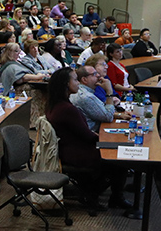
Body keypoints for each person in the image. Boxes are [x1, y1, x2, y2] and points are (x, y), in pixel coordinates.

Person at [46, 66, 129, 211]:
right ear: (66, 84)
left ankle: (92, 191)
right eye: (75, 80)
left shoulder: (55, 104)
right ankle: (97, 194)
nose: (78, 83)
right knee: (119, 159)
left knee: (115, 149)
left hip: (69, 148)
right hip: (77, 152)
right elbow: (87, 136)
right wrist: (107, 140)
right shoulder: (67, 109)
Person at [71, 63, 126, 133]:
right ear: (84, 79)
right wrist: (109, 91)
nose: (98, 75)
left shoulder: (83, 92)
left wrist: (119, 115)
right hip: (93, 136)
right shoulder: (87, 97)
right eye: (94, 74)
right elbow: (108, 117)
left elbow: (100, 112)